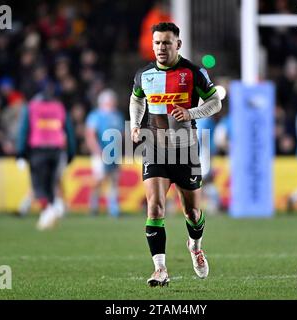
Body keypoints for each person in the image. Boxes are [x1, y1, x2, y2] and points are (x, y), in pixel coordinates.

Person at [129, 22, 222, 286]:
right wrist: (136, 124)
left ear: (177, 44)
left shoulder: (193, 72)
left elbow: (216, 101)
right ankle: (160, 269)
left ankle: (195, 247)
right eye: (157, 42)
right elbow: (136, 98)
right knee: (155, 206)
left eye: (167, 42)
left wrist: (191, 113)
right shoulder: (144, 74)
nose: (161, 47)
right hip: (155, 147)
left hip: (186, 148)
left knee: (192, 213)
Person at [16, 81, 76, 230]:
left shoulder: (32, 107)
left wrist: (20, 153)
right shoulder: (59, 107)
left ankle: (47, 210)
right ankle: (49, 212)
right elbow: (69, 131)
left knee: (38, 185)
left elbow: (24, 130)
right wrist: (71, 153)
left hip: (38, 150)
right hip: (56, 150)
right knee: (51, 184)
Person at [85, 89, 124, 217]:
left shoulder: (118, 115)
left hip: (114, 154)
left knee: (113, 180)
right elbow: (90, 135)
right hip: (101, 153)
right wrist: (97, 151)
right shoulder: (95, 115)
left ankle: (113, 208)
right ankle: (93, 206)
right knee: (99, 179)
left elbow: (122, 135)